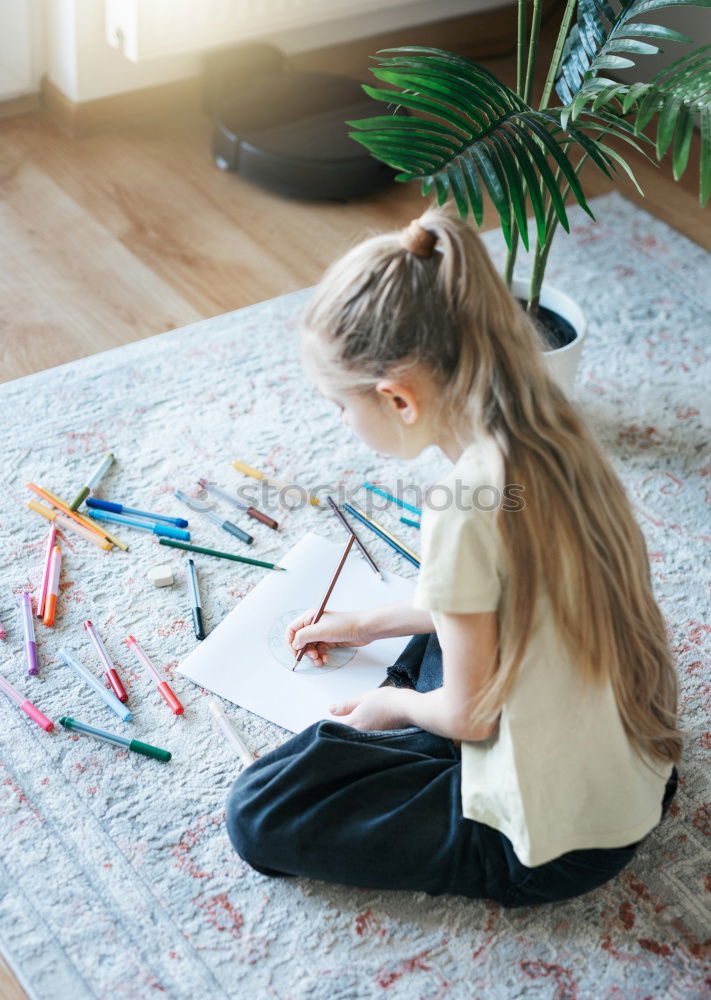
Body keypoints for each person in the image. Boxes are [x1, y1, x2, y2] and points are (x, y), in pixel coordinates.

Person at [225, 206, 682, 907]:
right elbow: (500, 601)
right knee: (429, 641)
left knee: (258, 811)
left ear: (398, 398)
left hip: (550, 845)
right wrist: (366, 626)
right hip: (628, 767)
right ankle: (417, 721)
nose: (341, 425)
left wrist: (392, 704)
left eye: (338, 408)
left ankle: (423, 742)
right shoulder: (551, 428)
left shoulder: (464, 507)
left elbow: (471, 719)